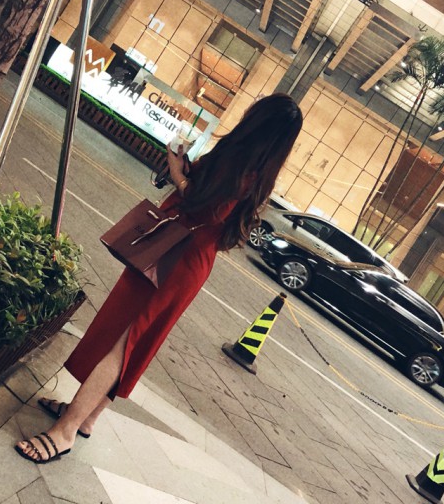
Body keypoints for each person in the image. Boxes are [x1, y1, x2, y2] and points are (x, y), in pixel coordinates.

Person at [15, 93, 303, 463]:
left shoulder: (240, 160)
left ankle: (65, 431)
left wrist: (177, 171)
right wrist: (187, 171)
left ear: (257, 119)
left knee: (125, 339)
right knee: (135, 338)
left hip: (175, 256)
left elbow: (207, 208)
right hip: (188, 259)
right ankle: (86, 417)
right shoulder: (260, 174)